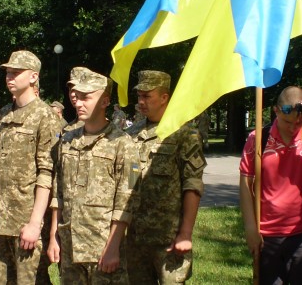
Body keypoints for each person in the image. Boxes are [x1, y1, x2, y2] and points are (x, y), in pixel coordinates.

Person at [47, 68, 140, 283]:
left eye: (86, 98)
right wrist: (54, 236)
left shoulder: (123, 144)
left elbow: (129, 199)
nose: (79, 103)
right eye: (77, 97)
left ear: (105, 101)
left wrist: (113, 246)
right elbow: (58, 192)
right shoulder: (67, 141)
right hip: (70, 247)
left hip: (103, 247)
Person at [0, 50, 59, 284]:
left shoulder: (45, 116)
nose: (9, 77)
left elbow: (47, 174)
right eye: (8, 72)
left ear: (33, 77)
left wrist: (35, 224)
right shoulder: (3, 115)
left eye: (16, 72)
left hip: (28, 220)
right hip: (3, 220)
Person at [125, 70, 206, 283]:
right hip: (135, 237)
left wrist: (185, 233)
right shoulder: (132, 134)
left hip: (168, 238)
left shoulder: (184, 134)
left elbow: (193, 184)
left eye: (147, 96)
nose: (141, 101)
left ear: (164, 97)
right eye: (139, 95)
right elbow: (129, 180)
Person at [239, 86, 302, 285]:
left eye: (298, 122)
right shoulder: (258, 139)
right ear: (276, 111)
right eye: (287, 122)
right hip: (268, 236)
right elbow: (246, 184)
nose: (293, 128)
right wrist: (250, 227)